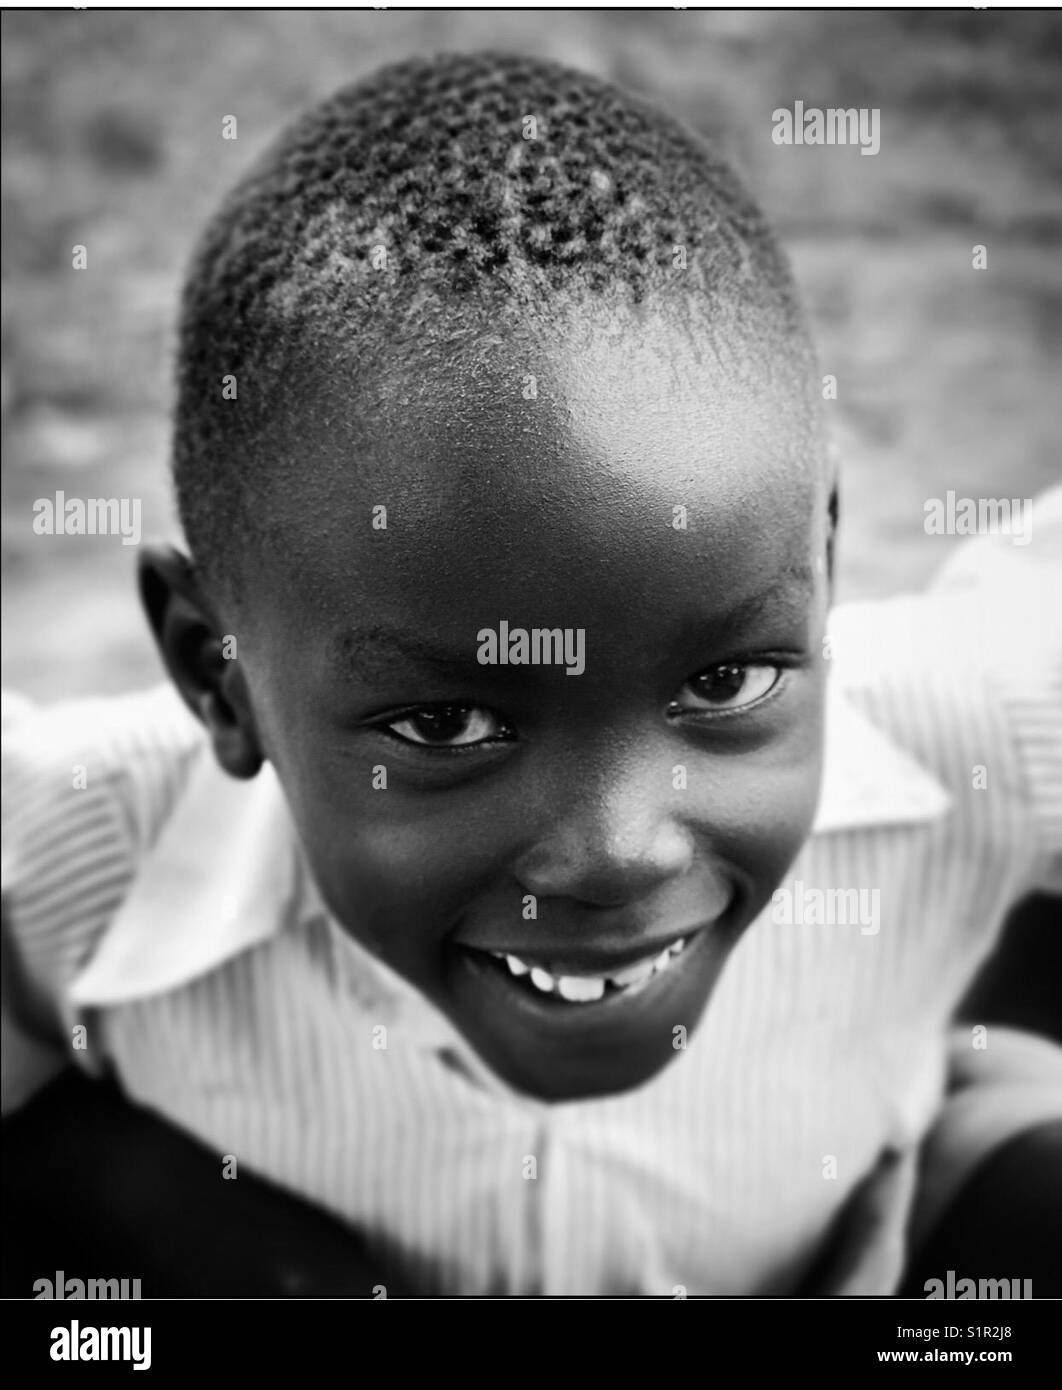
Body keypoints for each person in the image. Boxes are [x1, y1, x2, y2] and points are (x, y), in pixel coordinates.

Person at [3, 52, 1059, 1296]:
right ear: (216, 674)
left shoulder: (972, 740)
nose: (619, 851)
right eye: (447, 722)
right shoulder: (92, 864)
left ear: (822, 569)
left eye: (724, 685)